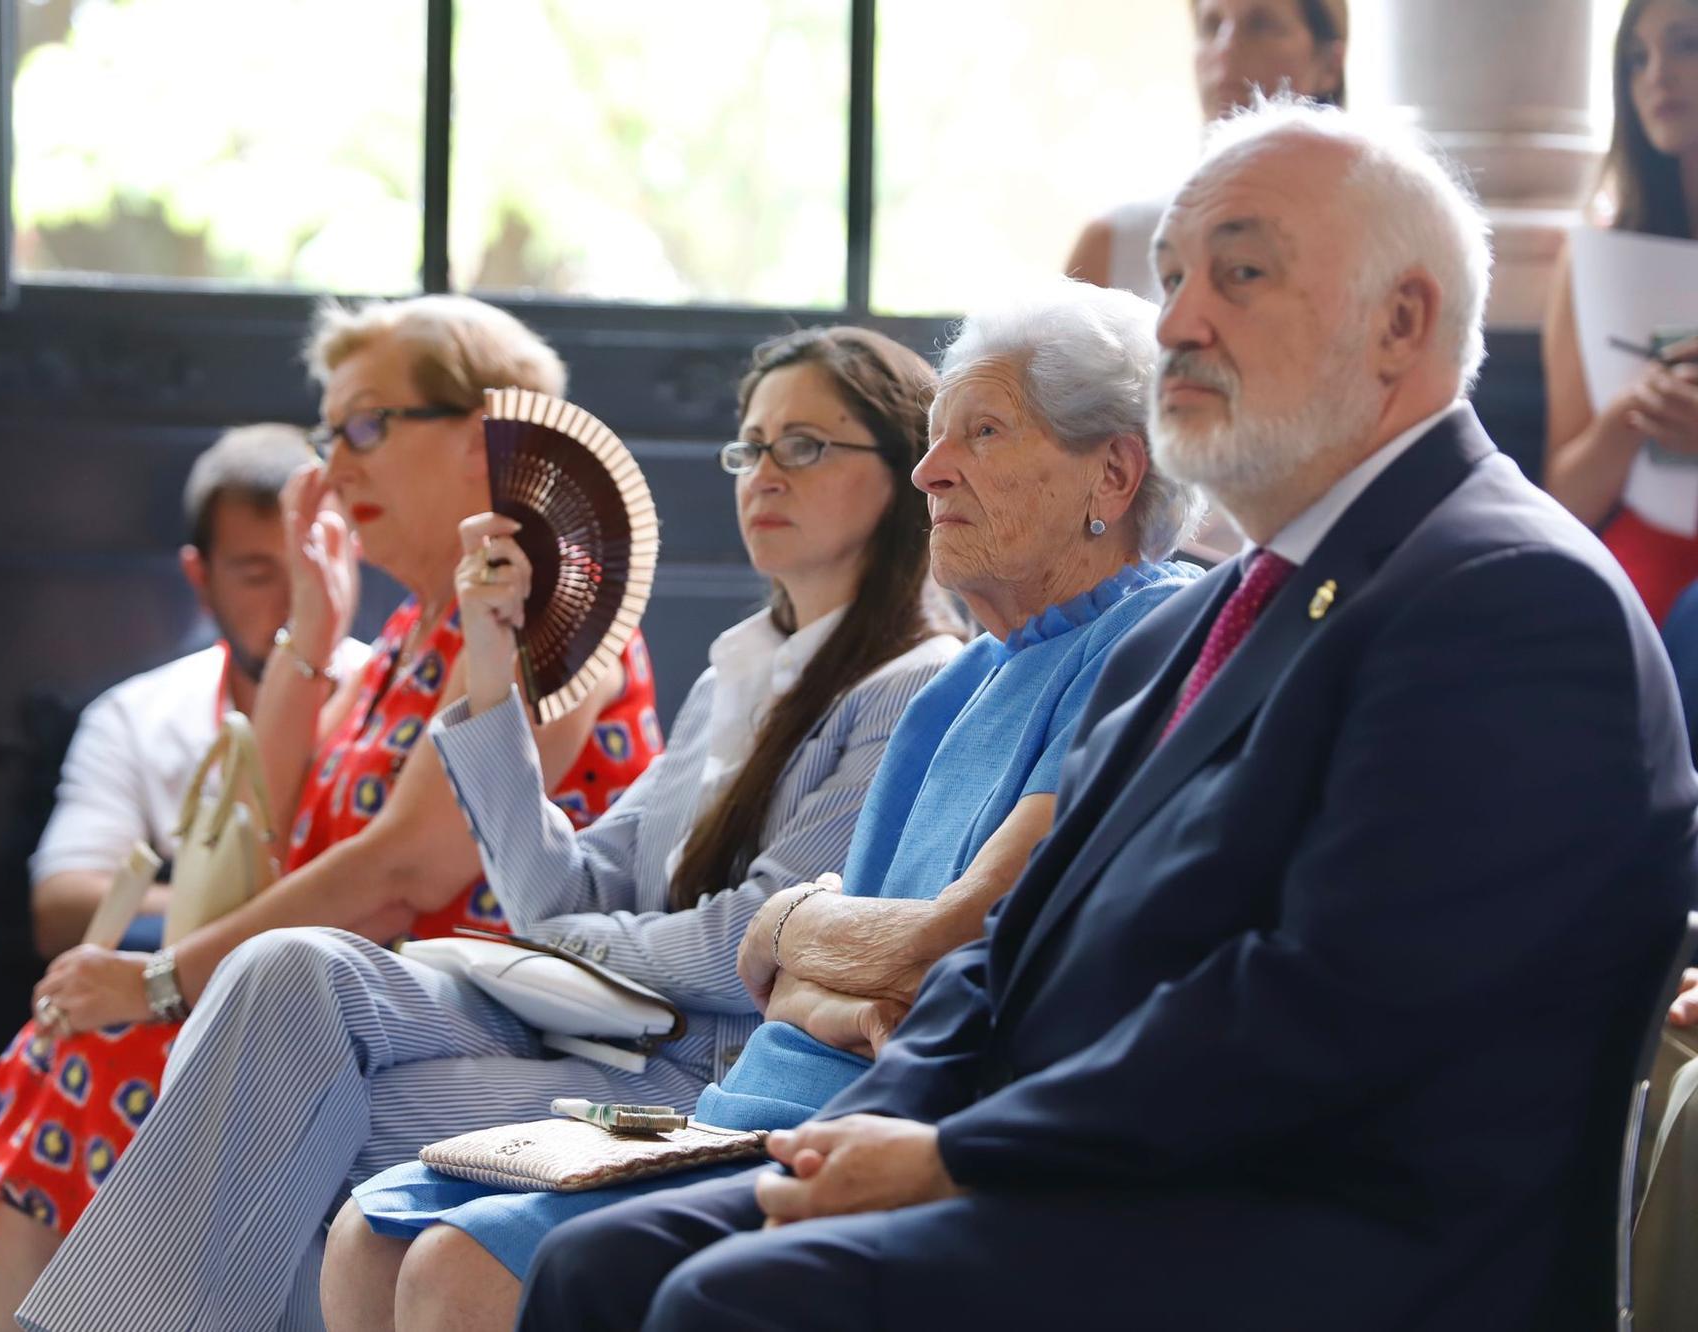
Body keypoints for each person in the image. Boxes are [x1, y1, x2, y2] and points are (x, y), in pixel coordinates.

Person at [518, 99, 1698, 1332]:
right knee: (597, 1260)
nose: (1178, 322)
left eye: (1238, 273)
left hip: (1318, 1235)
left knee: (730, 1302)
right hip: (1100, 1173)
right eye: (1174, 275)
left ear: (1399, 321)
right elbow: (1004, 949)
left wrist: (958, 1158)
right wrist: (881, 1125)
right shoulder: (1208, 613)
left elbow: (1327, 1006)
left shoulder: (1505, 594)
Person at [11, 325, 967, 1332]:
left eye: (804, 445)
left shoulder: (910, 687)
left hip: (695, 1072)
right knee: (281, 970)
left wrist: (572, 939)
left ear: (906, 470)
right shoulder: (734, 674)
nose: (761, 473)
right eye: (749, 445)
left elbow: (753, 944)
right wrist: (486, 662)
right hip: (578, 1020)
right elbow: (555, 891)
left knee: (288, 1116)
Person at [328, 283, 1205, 1332]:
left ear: (1111, 470)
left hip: (821, 1108)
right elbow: (792, 977)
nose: (935, 469)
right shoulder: (952, 686)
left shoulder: (1142, 642)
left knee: (448, 1262)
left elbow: (939, 949)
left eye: (978, 433)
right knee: (367, 1236)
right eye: (750, 450)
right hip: (749, 1083)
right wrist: (490, 654)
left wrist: (790, 932)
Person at [0, 295, 662, 1331]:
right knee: (73, 1046)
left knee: (113, 1049)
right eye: (330, 433)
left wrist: (152, 983)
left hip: (490, 1022)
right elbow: (254, 842)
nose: (337, 464)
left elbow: (405, 870)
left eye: (367, 425)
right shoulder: (411, 629)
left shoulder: (547, 603)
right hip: (350, 1001)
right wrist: (312, 631)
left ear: (484, 434)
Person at [28, 423, 366, 959]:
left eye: (313, 566)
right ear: (200, 580)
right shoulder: (134, 718)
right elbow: (61, 907)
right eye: (257, 575)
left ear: (352, 554)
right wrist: (277, 909)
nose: (299, 604)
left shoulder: (398, 693)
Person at [1543, 0, 1698, 625]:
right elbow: (1564, 502)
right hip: (1644, 558)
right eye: (1636, 58)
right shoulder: (1594, 261)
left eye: (1686, 44)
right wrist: (1627, 419)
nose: (1655, 74)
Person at [1064, 0, 1347, 299]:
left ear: (1330, 64)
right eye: (1211, 25)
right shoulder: (1114, 247)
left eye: (1261, 24)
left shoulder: (1373, 241)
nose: (1226, 46)